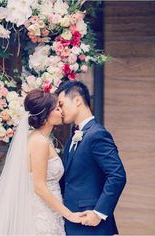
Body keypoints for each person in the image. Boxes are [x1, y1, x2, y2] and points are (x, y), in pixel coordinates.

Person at [0, 89, 82, 235]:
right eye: (57, 108)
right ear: (46, 115)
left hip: (46, 210)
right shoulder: (39, 142)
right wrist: (69, 215)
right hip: (42, 213)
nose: (61, 111)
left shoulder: (37, 138)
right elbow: (39, 187)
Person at [56, 80, 127, 235]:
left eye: (61, 104)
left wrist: (99, 213)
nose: (60, 110)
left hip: (91, 224)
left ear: (77, 100)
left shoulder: (97, 134)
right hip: (72, 221)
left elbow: (117, 175)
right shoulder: (72, 139)